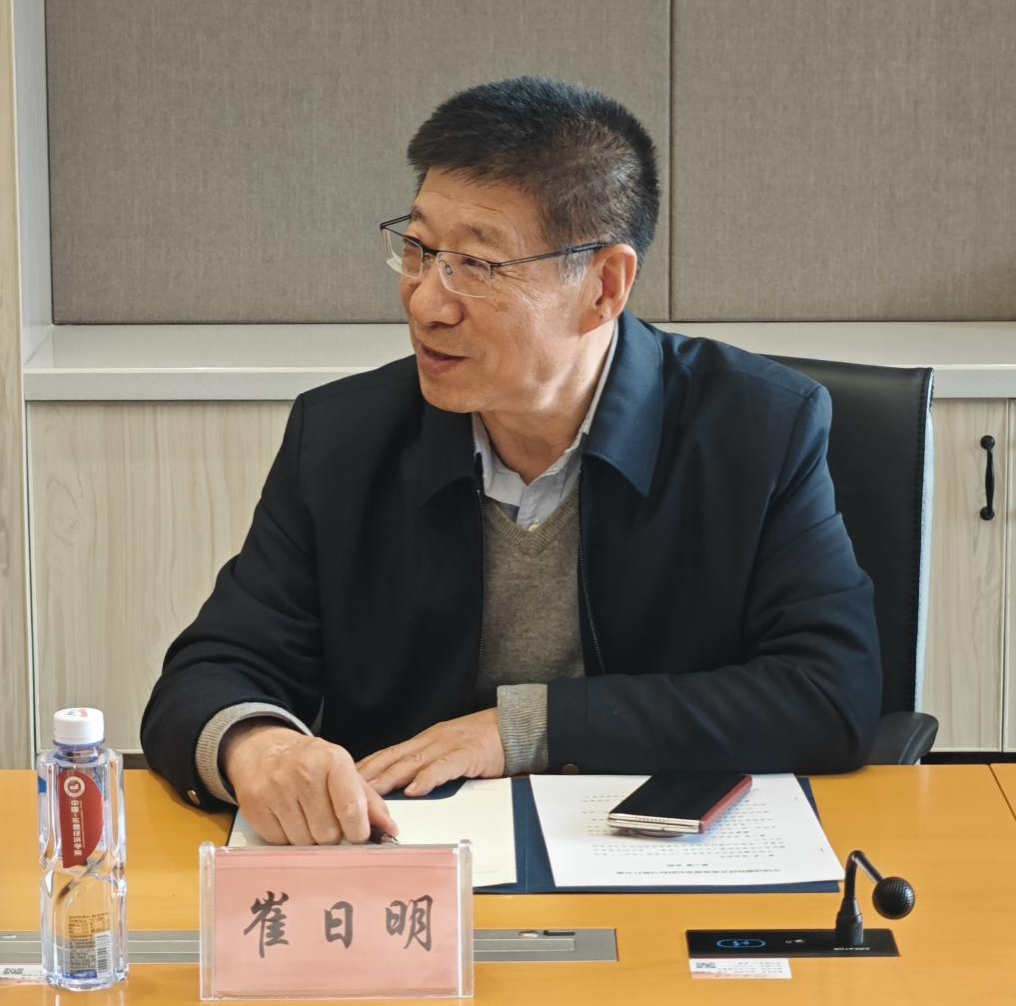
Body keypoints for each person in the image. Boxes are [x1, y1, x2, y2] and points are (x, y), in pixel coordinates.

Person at [141, 76, 881, 846]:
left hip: (647, 860)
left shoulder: (757, 430)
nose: (426, 302)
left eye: (478, 265)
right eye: (419, 250)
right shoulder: (340, 437)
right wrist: (257, 747)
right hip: (408, 858)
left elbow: (831, 692)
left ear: (605, 286)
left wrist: (526, 727)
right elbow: (209, 674)